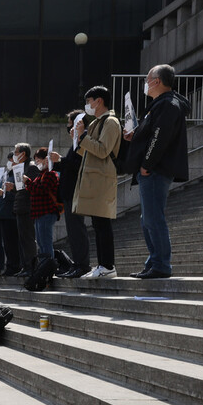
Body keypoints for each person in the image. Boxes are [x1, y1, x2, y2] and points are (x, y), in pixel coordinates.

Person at [125, 63, 191, 279]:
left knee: (153, 219)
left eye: (148, 79)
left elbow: (159, 137)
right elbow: (152, 132)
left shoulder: (168, 105)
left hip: (155, 170)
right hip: (153, 170)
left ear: (157, 81)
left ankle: (161, 264)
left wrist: (147, 164)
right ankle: (154, 261)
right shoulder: (161, 104)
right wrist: (135, 134)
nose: (146, 83)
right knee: (148, 219)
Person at [72, 85, 122, 278]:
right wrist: (78, 139)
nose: (87, 106)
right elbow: (87, 151)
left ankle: (108, 266)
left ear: (98, 100)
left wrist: (83, 136)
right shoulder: (95, 123)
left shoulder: (111, 122)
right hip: (94, 178)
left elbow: (102, 150)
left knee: (102, 222)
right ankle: (102, 265)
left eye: (89, 101)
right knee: (97, 223)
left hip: (102, 177)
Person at [50, 111, 92, 278]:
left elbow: (79, 165)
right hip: (68, 191)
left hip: (76, 190)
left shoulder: (84, 139)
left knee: (77, 229)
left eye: (70, 124)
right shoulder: (76, 142)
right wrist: (56, 163)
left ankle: (83, 264)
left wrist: (60, 159)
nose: (68, 128)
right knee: (72, 230)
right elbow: (69, 166)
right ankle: (77, 263)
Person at [7, 143, 40, 276]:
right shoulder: (20, 167)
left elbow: (32, 188)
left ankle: (31, 267)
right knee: (22, 239)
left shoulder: (31, 167)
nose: (14, 155)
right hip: (19, 207)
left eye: (16, 152)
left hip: (27, 208)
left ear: (23, 154)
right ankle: (26, 266)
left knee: (28, 238)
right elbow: (21, 188)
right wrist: (13, 187)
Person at [27, 147, 62, 262]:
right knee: (41, 242)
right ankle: (44, 265)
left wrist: (28, 182)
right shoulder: (40, 174)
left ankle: (48, 266)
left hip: (47, 211)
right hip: (38, 213)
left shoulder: (50, 174)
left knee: (46, 242)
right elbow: (34, 189)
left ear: (46, 159)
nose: (37, 163)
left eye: (38, 160)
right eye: (36, 161)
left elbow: (41, 190)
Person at [0, 153, 20, 276]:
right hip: (3, 212)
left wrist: (5, 193)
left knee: (13, 242)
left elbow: (18, 193)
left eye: (12, 160)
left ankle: (15, 265)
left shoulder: (18, 174)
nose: (10, 163)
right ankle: (9, 265)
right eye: (9, 160)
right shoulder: (7, 175)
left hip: (11, 213)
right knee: (7, 243)